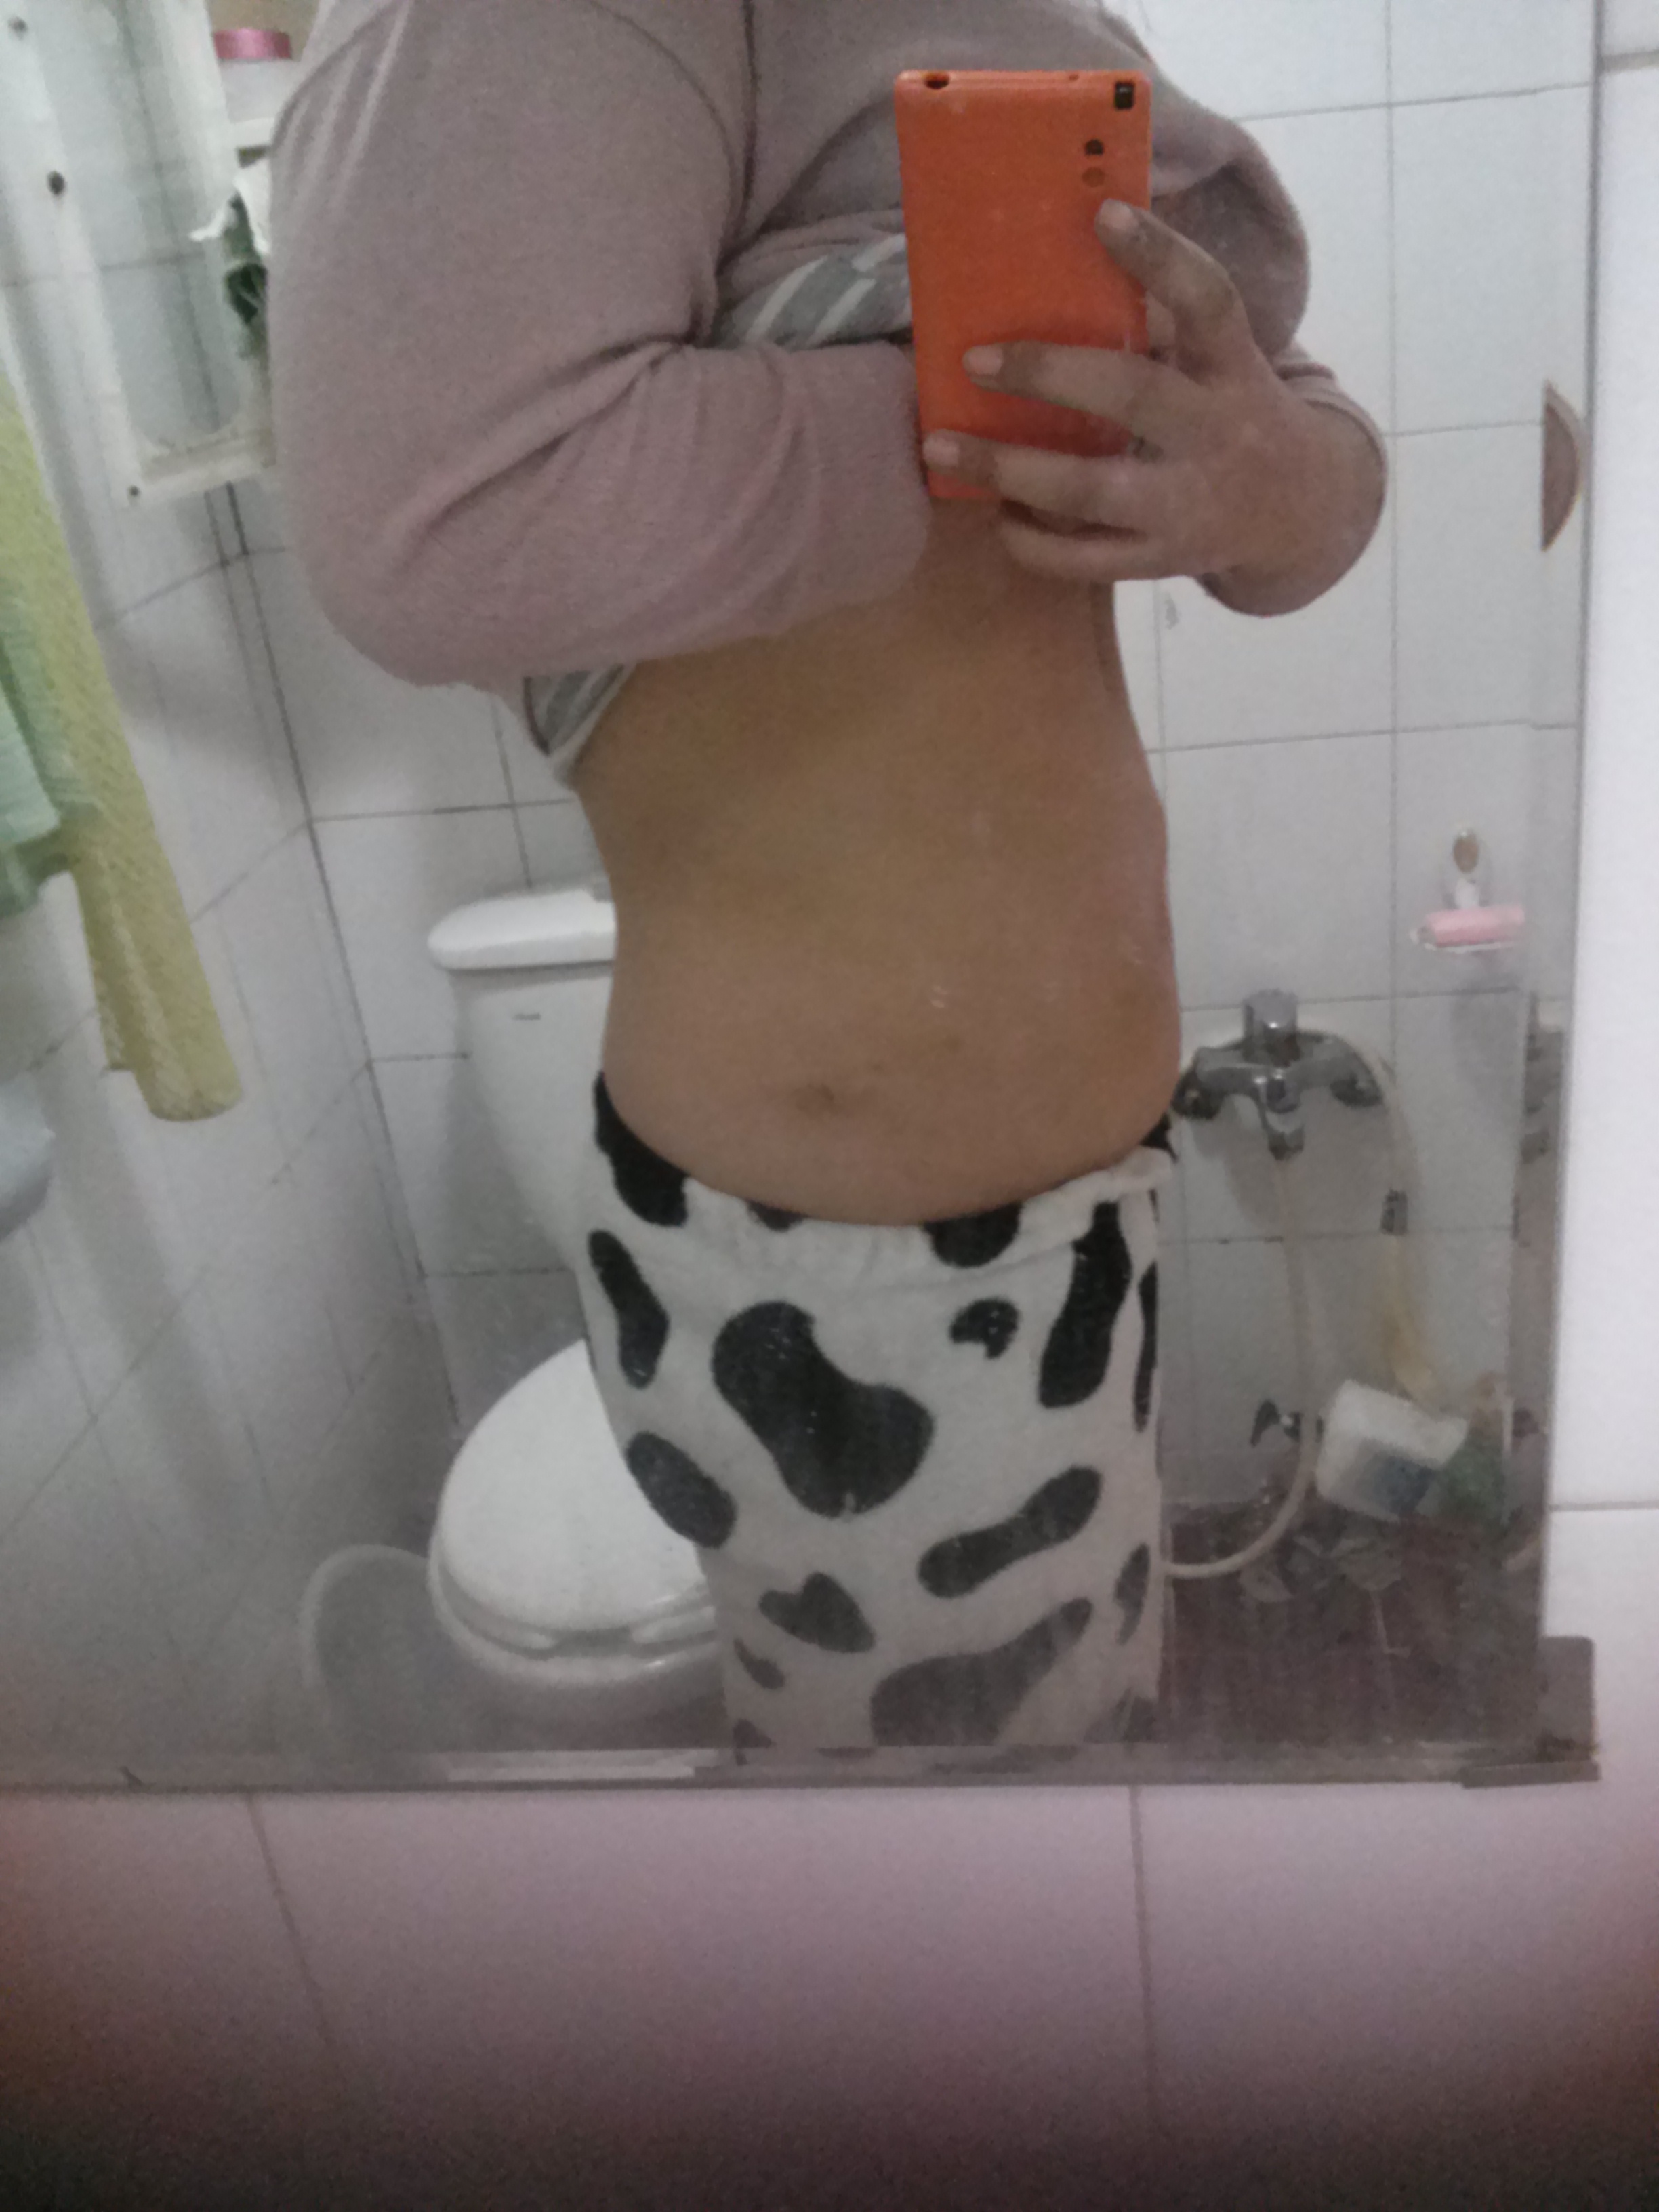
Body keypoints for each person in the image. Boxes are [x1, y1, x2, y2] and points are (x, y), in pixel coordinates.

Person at [270, 2, 1387, 1753]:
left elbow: (1269, 411)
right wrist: (996, 421)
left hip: (1059, 1227)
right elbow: (436, 523)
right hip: (845, 1290)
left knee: (1036, 1844)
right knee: (972, 1897)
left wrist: (1283, 475)